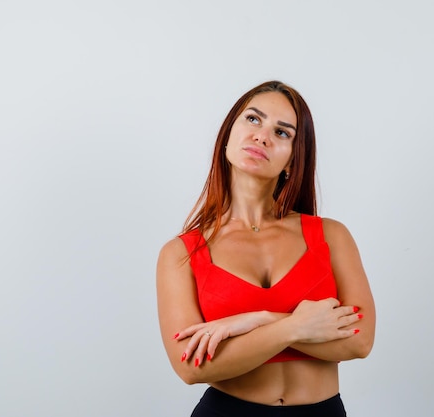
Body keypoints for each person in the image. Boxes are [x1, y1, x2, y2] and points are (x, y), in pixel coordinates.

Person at [156, 80, 375, 416]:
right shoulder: (181, 253)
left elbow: (360, 341)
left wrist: (255, 321)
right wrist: (295, 325)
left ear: (292, 160)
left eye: (282, 132)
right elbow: (191, 368)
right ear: (228, 134)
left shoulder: (331, 236)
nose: (262, 136)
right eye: (253, 120)